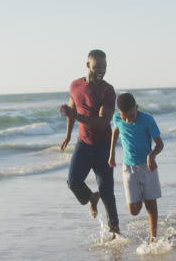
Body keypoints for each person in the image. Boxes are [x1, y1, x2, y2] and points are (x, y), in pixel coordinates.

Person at [60, 49, 120, 236]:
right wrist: (68, 135)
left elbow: (103, 123)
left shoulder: (107, 90)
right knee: (73, 182)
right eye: (97, 67)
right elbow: (72, 110)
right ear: (88, 65)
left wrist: (76, 116)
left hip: (103, 146)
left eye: (104, 67)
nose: (101, 70)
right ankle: (91, 197)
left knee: (108, 194)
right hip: (83, 144)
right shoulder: (75, 85)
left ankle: (115, 234)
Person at [108, 93, 164, 243]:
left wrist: (151, 156)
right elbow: (115, 132)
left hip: (148, 168)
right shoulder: (117, 118)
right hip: (128, 168)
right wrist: (111, 154)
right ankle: (142, 196)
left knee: (151, 205)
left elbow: (160, 144)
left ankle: (153, 239)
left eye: (130, 116)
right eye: (124, 116)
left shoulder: (147, 120)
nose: (128, 120)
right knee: (133, 211)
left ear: (136, 108)